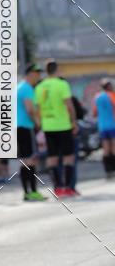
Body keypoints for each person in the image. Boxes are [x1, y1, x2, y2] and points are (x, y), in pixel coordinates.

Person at [34, 60, 78, 198]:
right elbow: (69, 105)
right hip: (63, 125)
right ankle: (68, 188)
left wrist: (40, 124)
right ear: (57, 69)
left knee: (52, 158)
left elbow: (38, 108)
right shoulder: (62, 84)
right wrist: (74, 122)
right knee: (68, 157)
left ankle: (57, 188)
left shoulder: (40, 86)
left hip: (48, 126)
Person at [16, 63, 47, 201]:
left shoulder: (19, 87)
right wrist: (38, 123)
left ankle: (27, 192)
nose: (39, 76)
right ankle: (32, 191)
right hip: (26, 127)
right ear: (30, 74)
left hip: (18, 126)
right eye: (37, 73)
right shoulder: (27, 88)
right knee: (31, 159)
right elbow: (29, 109)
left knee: (24, 160)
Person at [93, 79, 115, 180]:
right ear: (109, 86)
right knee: (113, 148)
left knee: (105, 149)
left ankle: (108, 171)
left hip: (102, 126)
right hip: (112, 125)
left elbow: (94, 113)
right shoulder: (112, 95)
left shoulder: (97, 97)